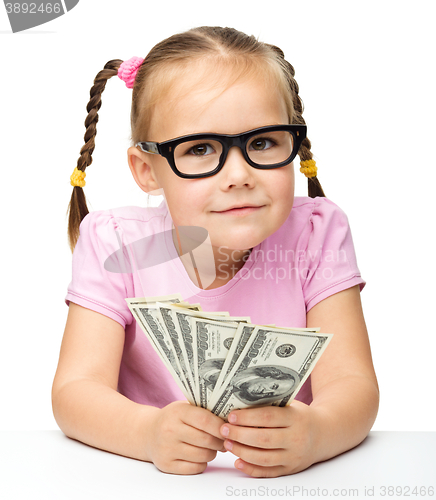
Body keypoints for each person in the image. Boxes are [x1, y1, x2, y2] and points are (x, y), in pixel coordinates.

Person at [52, 26, 379, 478]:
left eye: (262, 142)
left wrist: (318, 432)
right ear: (147, 170)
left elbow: (353, 385)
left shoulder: (316, 234)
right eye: (201, 149)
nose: (239, 174)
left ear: (293, 144)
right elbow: (75, 391)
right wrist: (146, 433)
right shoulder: (116, 243)